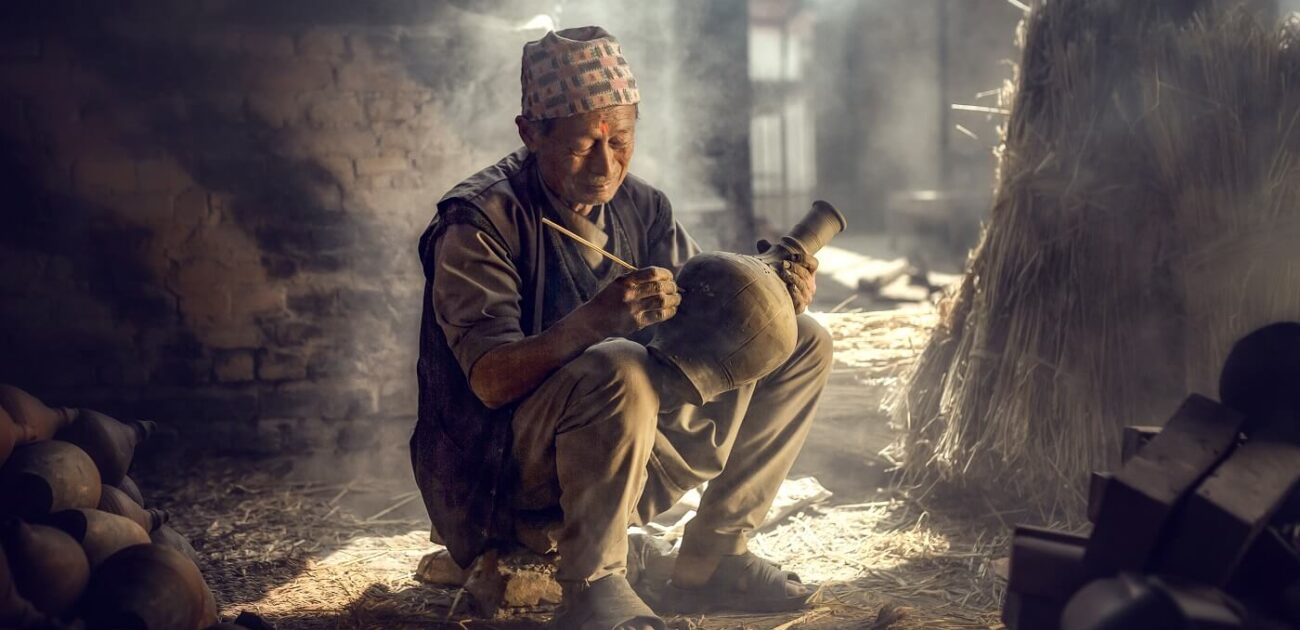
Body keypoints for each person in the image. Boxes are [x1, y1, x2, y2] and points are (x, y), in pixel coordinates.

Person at [411, 26, 832, 630]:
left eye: (622, 140)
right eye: (584, 145)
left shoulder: (643, 207)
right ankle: (593, 584)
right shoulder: (479, 222)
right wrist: (595, 320)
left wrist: (773, 293)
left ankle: (714, 555)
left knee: (802, 341)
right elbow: (489, 381)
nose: (606, 165)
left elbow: (707, 317)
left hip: (619, 453)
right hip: (499, 474)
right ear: (530, 134)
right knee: (618, 364)